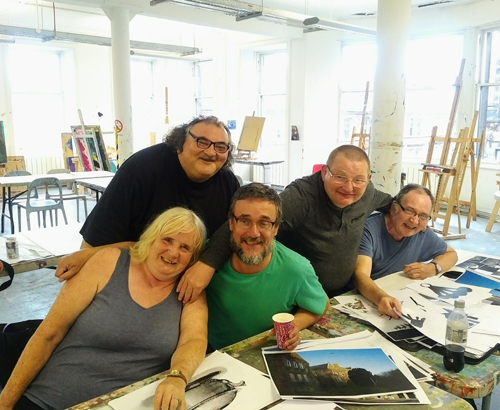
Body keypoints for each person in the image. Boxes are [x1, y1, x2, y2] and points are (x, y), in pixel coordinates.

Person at [0, 207, 208, 410]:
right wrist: (5, 403)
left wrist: (177, 376)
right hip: (50, 398)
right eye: (167, 240)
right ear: (151, 238)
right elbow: (49, 333)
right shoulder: (109, 261)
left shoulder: (189, 288)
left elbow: (194, 340)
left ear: (193, 257)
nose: (173, 252)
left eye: (185, 248)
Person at [177, 145, 393, 301]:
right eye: (340, 177)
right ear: (324, 172)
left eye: (358, 180)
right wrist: (207, 264)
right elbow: (245, 223)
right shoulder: (302, 196)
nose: (349, 187)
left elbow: (395, 205)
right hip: (295, 297)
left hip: (342, 294)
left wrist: (408, 219)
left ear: (368, 180)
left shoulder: (368, 193)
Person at [55, 115, 240, 281]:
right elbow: (94, 242)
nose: (211, 152)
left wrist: (207, 264)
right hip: (130, 276)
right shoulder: (141, 171)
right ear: (180, 142)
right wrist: (83, 266)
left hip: (191, 281)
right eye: (202, 142)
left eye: (221, 147)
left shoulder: (227, 183)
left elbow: (233, 229)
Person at [205, 183, 329, 351]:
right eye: (244, 221)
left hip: (264, 352)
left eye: (264, 223)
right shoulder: (203, 260)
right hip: (211, 352)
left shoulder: (297, 269)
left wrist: (296, 325)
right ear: (231, 223)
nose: (254, 233)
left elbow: (321, 304)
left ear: (276, 228)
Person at [353, 184, 458, 318]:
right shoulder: (369, 230)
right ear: (394, 208)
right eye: (409, 211)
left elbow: (451, 254)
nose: (414, 220)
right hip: (363, 299)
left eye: (423, 216)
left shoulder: (421, 232)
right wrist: (381, 298)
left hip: (396, 293)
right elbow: (360, 276)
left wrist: (431, 268)